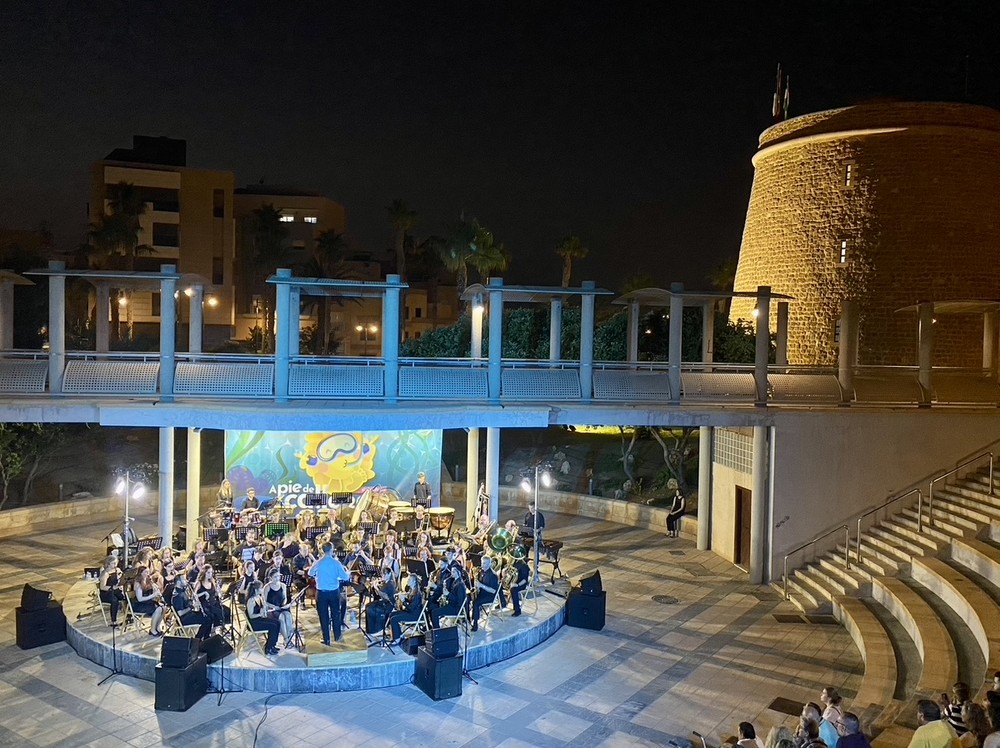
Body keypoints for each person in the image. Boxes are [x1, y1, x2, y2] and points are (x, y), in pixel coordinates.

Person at [308, 542, 351, 645]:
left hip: (321, 593)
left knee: (323, 616)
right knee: (336, 614)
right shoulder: (336, 563)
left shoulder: (318, 563)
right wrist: (347, 573)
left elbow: (310, 573)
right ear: (331, 550)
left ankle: (326, 639)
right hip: (334, 593)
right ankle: (337, 636)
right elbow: (345, 577)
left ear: (322, 550)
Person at [171, 575, 211, 639]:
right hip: (184, 619)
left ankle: (205, 637)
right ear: (178, 582)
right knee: (207, 620)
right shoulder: (178, 596)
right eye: (184, 580)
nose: (186, 581)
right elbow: (180, 613)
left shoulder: (182, 591)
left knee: (209, 614)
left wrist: (193, 601)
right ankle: (198, 639)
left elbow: (187, 602)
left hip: (189, 614)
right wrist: (192, 606)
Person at [246, 581, 280, 655]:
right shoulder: (251, 601)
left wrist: (264, 607)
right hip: (253, 623)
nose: (262, 590)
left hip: (259, 619)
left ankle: (272, 644)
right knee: (273, 626)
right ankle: (268, 647)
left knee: (277, 622)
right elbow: (251, 616)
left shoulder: (259, 597)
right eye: (261, 588)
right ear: (256, 590)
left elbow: (263, 609)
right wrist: (260, 614)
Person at [264, 570, 295, 650]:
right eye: (275, 577)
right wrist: (274, 606)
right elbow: (264, 602)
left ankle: (287, 638)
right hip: (272, 609)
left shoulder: (283, 586)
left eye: (278, 576)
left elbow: (284, 598)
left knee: (288, 616)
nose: (277, 578)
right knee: (281, 618)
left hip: (281, 607)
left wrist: (284, 604)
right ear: (270, 578)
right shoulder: (267, 587)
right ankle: (286, 639)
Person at [388, 574, 423, 642]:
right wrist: (404, 598)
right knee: (391, 614)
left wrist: (403, 601)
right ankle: (398, 634)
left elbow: (411, 608)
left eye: (410, 580)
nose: (408, 581)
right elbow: (410, 603)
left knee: (394, 619)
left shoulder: (417, 593)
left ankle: (397, 638)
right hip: (409, 612)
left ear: (414, 582)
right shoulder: (411, 591)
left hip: (414, 615)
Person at [471, 555, 501, 632]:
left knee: (476, 603)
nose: (482, 565)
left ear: (489, 564)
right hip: (482, 593)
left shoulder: (493, 575)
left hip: (489, 596)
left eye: (484, 563)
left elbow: (493, 591)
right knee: (468, 597)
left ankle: (475, 623)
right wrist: (476, 586)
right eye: (482, 563)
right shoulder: (481, 571)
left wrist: (482, 586)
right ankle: (470, 616)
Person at [132, 567, 165, 636]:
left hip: (148, 602)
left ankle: (157, 627)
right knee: (158, 609)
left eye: (148, 572)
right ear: (140, 573)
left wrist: (155, 588)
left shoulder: (148, 580)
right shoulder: (137, 583)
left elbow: (154, 591)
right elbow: (140, 599)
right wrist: (153, 595)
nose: (147, 574)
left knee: (163, 607)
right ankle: (152, 630)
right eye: (145, 572)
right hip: (139, 604)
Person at [98, 555, 125, 625]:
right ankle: (114, 621)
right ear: (108, 563)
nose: (115, 565)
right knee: (114, 600)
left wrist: (121, 582)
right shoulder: (105, 573)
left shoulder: (117, 570)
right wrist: (112, 587)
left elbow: (123, 578)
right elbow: (102, 587)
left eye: (116, 563)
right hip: (106, 593)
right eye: (113, 563)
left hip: (115, 591)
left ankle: (128, 615)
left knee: (125, 597)